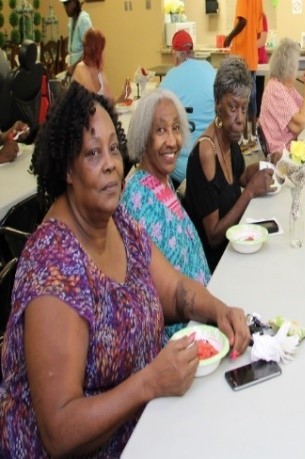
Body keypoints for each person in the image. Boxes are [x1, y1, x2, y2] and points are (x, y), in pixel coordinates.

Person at [0, 82, 250, 456]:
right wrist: (149, 384)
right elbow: (59, 431)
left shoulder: (118, 223)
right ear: (67, 168)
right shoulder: (53, 266)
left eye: (114, 150)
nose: (111, 165)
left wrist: (219, 310)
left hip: (143, 428)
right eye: (92, 154)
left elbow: (175, 291)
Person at [121, 88, 211, 340]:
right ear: (143, 139)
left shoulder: (162, 181)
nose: (172, 141)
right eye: (160, 130)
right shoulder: (138, 199)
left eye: (175, 128)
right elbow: (157, 296)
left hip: (200, 314)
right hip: (178, 337)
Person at [183, 57, 274, 272]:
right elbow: (213, 236)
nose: (240, 119)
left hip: (234, 251)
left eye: (244, 109)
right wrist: (250, 192)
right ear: (217, 106)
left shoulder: (228, 139)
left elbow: (240, 177)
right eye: (233, 107)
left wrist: (268, 162)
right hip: (214, 265)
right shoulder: (206, 153)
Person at [160, 30, 216, 185]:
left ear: (176, 54)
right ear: (192, 52)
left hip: (179, 168)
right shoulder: (210, 70)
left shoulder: (168, 80)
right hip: (212, 160)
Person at [258, 37, 305, 156]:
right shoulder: (275, 89)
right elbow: (301, 122)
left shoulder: (286, 88)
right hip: (281, 154)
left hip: (291, 148)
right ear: (290, 68)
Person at [223, 0, 264, 150]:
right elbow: (257, 27)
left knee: (241, 99)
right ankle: (253, 136)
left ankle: (244, 139)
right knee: (251, 98)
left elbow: (243, 21)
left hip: (241, 56)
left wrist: (229, 37)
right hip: (252, 57)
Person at [72, 28, 131, 105]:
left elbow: (111, 102)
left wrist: (124, 95)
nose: (105, 53)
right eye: (103, 49)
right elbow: (93, 104)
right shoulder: (81, 68)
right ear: (97, 52)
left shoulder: (99, 72)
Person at [60, 0, 92, 77]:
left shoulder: (84, 20)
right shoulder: (71, 19)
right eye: (64, 5)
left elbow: (89, 50)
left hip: (84, 73)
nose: (65, 8)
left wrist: (74, 67)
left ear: (74, 3)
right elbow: (72, 49)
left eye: (67, 4)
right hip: (75, 74)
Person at [255, 13, 269, 120]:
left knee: (257, 98)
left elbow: (262, 41)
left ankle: (257, 124)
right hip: (247, 61)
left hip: (259, 61)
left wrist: (246, 46)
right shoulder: (245, 18)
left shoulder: (261, 17)